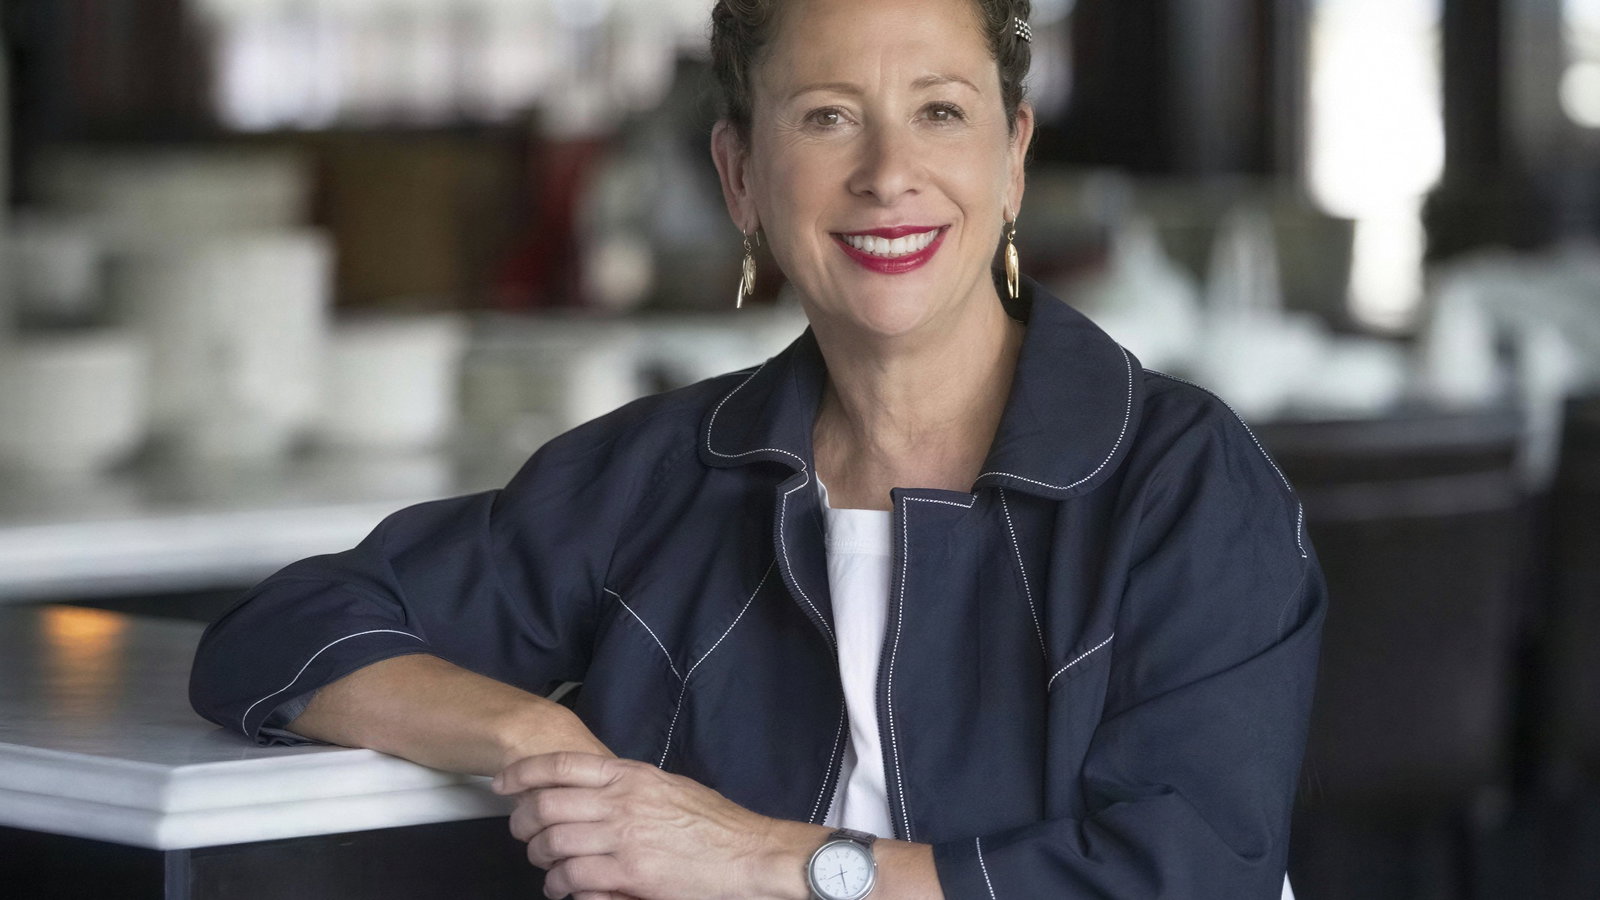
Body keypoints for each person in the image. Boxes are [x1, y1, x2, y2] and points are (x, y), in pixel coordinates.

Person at [189, 0, 1325, 897]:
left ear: (1012, 156)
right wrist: (542, 740)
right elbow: (283, 634)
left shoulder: (1179, 478)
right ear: (740, 176)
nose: (888, 172)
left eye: (940, 111)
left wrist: (761, 860)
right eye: (826, 116)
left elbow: (1188, 872)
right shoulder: (663, 474)